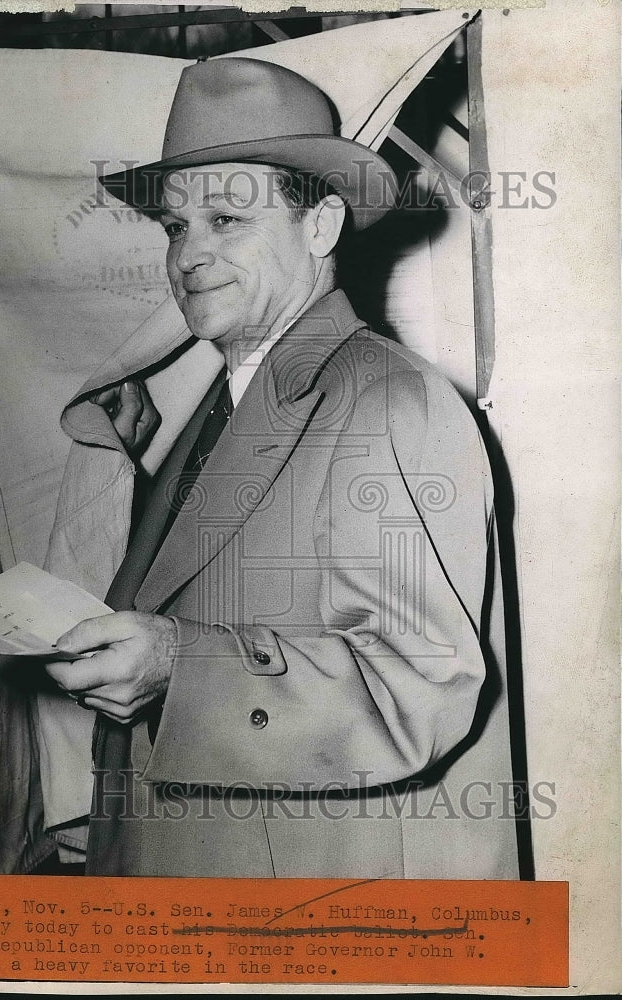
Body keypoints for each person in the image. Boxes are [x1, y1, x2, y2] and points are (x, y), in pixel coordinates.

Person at [45, 57, 519, 879]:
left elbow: (416, 688)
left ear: (320, 226)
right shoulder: (222, 404)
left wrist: (178, 667)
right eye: (175, 227)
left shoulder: (386, 402)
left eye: (226, 219)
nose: (187, 256)